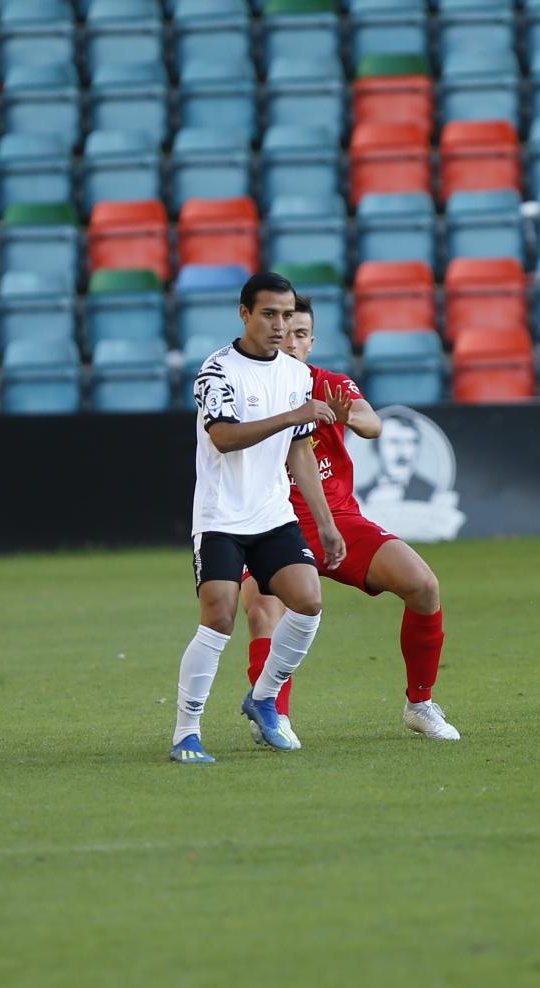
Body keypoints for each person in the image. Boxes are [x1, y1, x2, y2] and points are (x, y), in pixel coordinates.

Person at [238, 295, 459, 746]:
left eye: (301, 334)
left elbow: (373, 424)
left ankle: (419, 704)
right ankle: (274, 718)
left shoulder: (331, 385)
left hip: (338, 521)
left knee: (423, 585)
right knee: (264, 611)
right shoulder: (246, 389)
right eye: (284, 331)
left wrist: (349, 416)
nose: (291, 341)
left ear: (311, 341)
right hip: (267, 521)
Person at [169, 273, 347, 764]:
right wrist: (293, 416)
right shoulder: (217, 371)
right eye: (269, 314)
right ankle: (187, 731)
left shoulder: (295, 375)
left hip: (272, 514)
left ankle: (264, 697)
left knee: (308, 602)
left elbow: (300, 453)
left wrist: (325, 522)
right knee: (220, 617)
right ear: (244, 314)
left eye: (287, 316)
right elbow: (224, 437)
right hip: (222, 515)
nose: (279, 325)